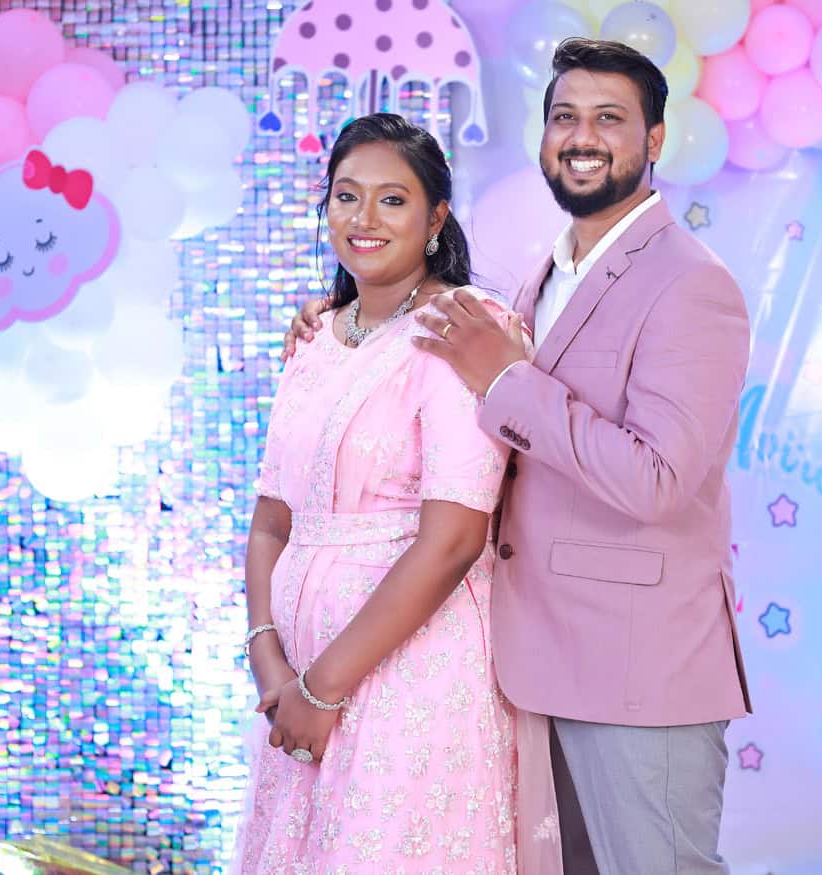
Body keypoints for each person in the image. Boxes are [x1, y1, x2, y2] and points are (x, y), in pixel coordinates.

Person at [286, 39, 752, 874]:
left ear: (654, 140)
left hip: (638, 668)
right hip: (528, 666)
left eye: (610, 118)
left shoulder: (690, 283)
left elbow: (658, 481)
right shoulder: (551, 273)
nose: (583, 135)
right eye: (564, 117)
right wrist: (350, 322)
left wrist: (506, 379)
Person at [234, 112, 539, 873]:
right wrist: (270, 661)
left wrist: (324, 689)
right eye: (347, 196)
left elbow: (455, 539)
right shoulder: (317, 337)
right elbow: (272, 523)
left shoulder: (462, 329)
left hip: (411, 679)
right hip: (297, 689)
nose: (364, 219)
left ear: (436, 216)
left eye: (392, 200)